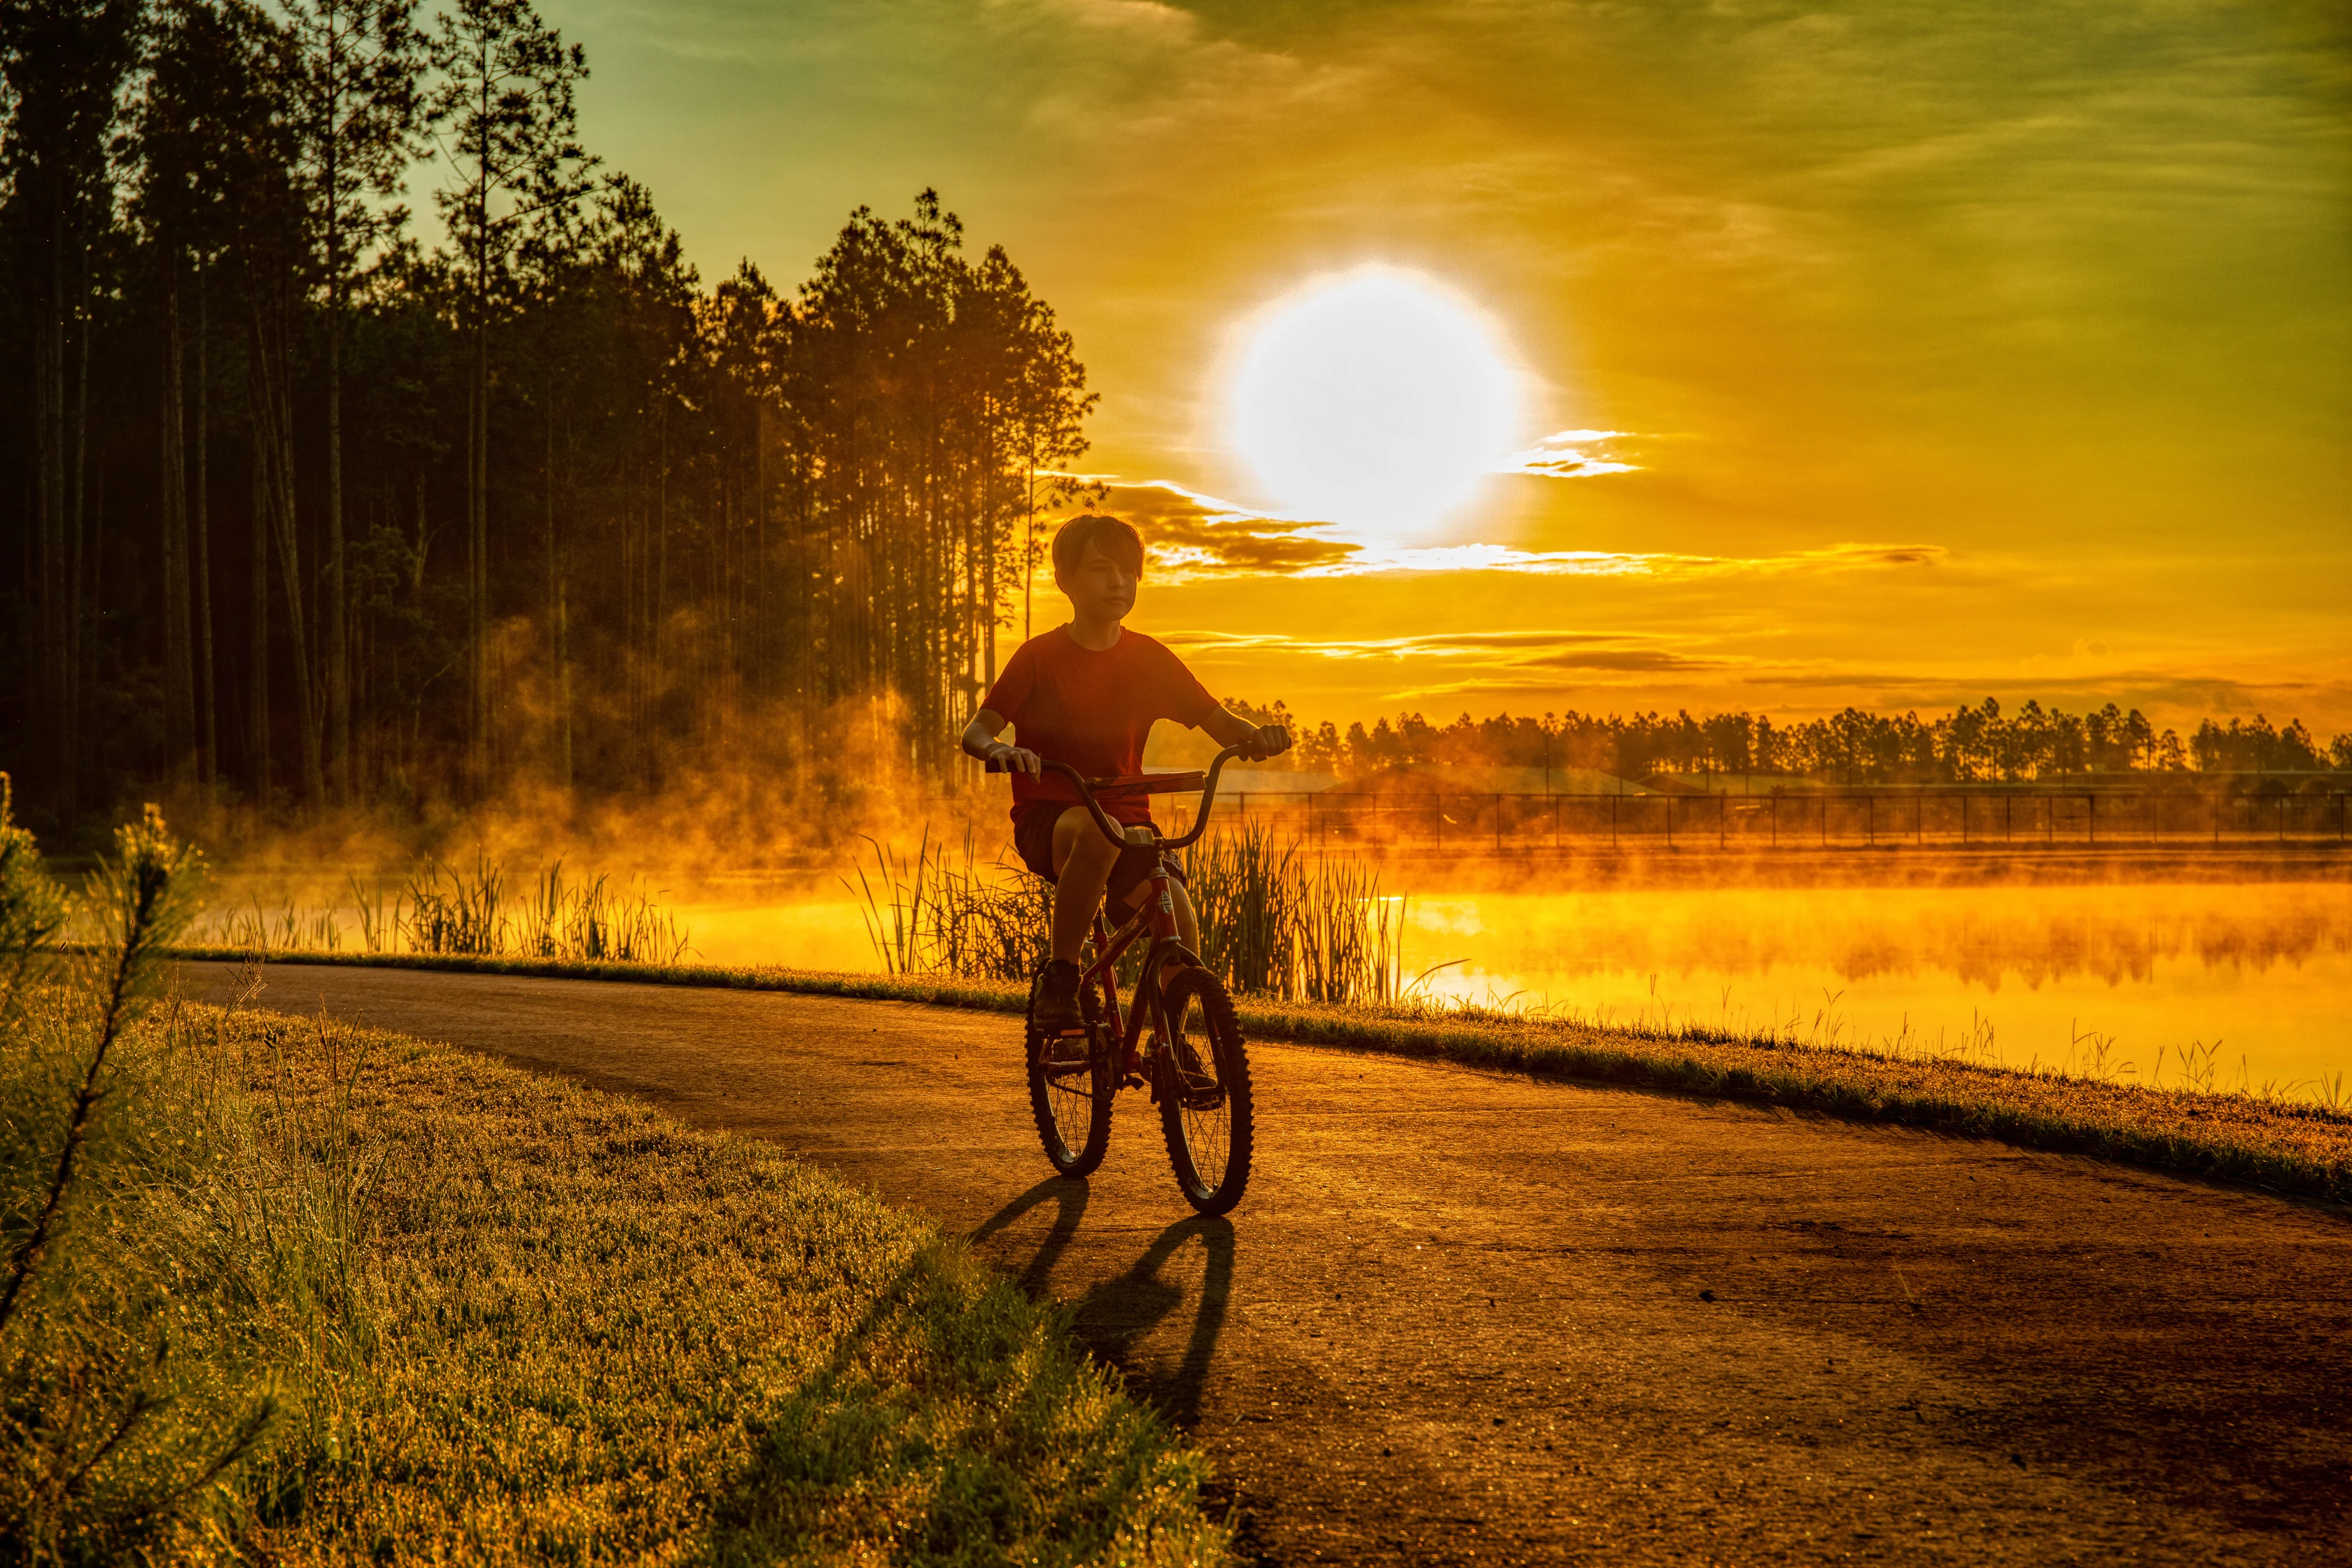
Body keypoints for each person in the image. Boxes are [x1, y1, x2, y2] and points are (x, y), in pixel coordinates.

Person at [960, 513, 1289, 1032]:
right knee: (1097, 835)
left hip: (1129, 823)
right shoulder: (1039, 657)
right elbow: (976, 730)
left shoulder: (1149, 660)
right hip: (1055, 820)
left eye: (1129, 572)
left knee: (1175, 913)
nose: (1118, 582)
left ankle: (1173, 1043)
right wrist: (998, 749)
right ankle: (1062, 980)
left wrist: (1257, 737)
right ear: (1064, 580)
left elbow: (1221, 723)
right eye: (1100, 569)